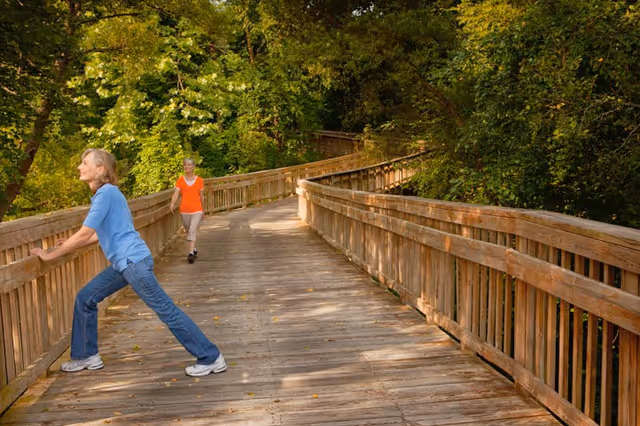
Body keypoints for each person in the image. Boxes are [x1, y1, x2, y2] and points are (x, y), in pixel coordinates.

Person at [30, 148, 225, 377]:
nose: (79, 167)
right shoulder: (110, 194)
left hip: (132, 263)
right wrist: (67, 245)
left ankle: (210, 357)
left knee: (166, 311)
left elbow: (84, 233)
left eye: (84, 163)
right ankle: (85, 355)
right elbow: (97, 234)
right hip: (127, 263)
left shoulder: (106, 194)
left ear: (100, 169)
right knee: (86, 298)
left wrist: (50, 255)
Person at [170, 158, 205, 264]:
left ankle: (190, 254)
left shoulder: (199, 180)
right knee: (188, 230)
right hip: (184, 210)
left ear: (193, 167)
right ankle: (193, 249)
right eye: (185, 165)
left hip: (197, 209)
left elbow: (202, 196)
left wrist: (203, 209)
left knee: (193, 229)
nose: (187, 167)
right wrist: (172, 203)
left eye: (189, 165)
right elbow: (176, 193)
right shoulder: (180, 180)